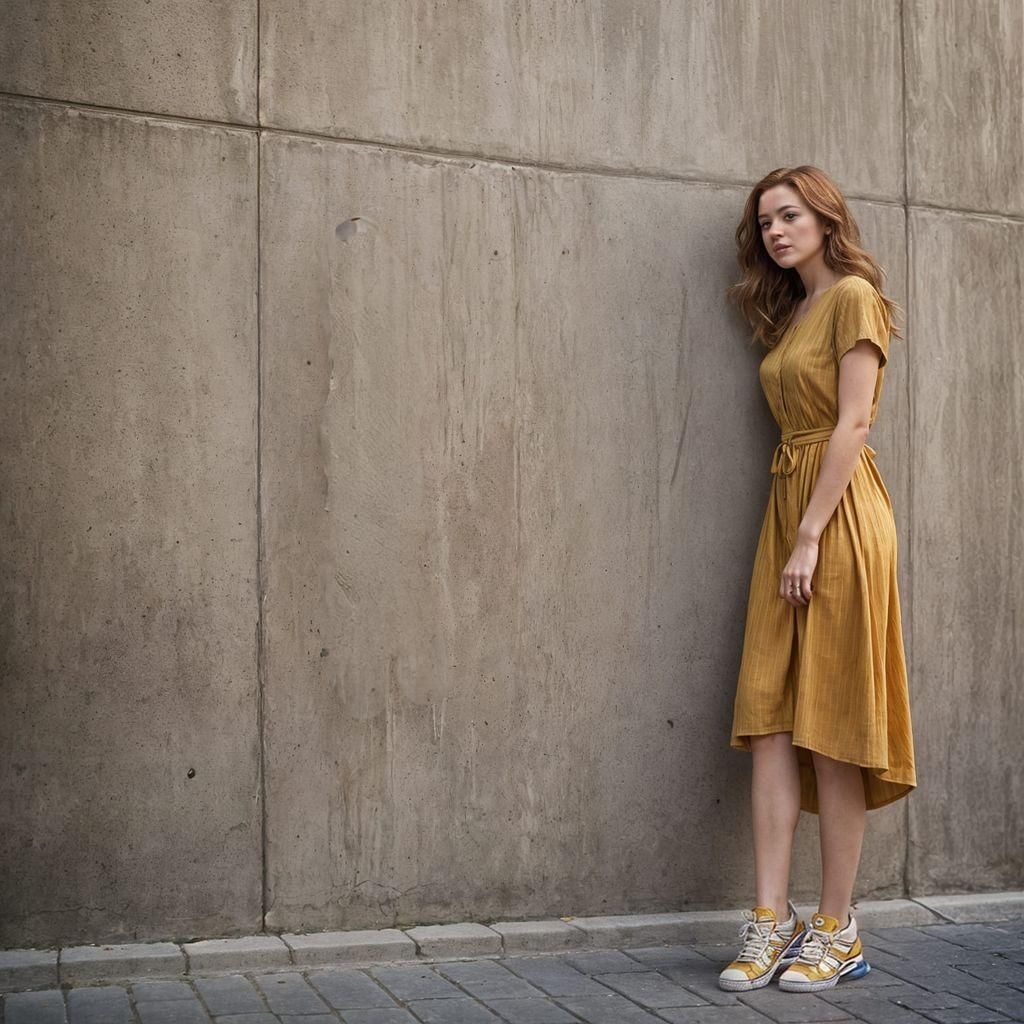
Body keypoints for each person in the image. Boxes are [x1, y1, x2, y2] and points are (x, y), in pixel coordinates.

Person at [718, 166, 917, 994]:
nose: (774, 230)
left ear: (826, 218)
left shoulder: (854, 297)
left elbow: (855, 420)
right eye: (764, 221)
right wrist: (790, 532)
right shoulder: (793, 312)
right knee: (769, 718)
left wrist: (809, 536)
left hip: (835, 519)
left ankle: (838, 928)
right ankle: (771, 920)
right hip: (788, 513)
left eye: (788, 215)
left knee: (831, 727)